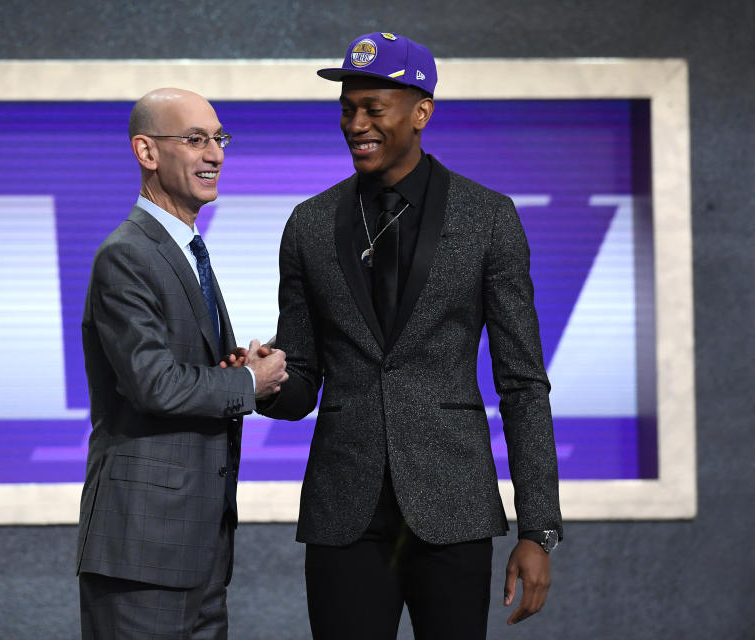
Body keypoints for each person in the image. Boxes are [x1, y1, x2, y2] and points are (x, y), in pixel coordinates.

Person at [257, 33, 563, 639]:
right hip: (345, 511)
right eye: (348, 109)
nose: (356, 124)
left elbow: (523, 382)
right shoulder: (309, 224)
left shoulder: (488, 217)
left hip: (455, 507)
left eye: (374, 108)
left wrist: (537, 529)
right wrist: (264, 378)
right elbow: (302, 386)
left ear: (422, 111)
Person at [76, 87, 288, 639]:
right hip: (142, 551)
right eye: (194, 139)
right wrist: (247, 381)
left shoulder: (187, 248)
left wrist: (234, 366)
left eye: (219, 139)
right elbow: (154, 385)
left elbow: (180, 370)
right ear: (146, 152)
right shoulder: (127, 254)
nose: (214, 153)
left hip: (200, 551)